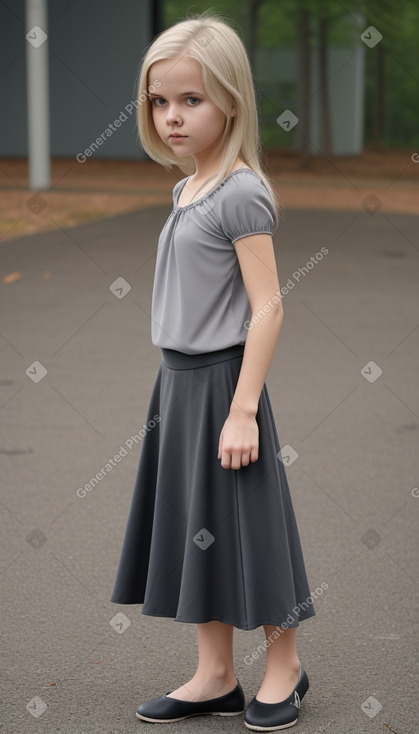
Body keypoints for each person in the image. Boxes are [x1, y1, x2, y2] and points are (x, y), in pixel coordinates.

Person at [110, 10, 316, 731]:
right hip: (177, 383)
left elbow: (268, 308)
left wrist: (240, 408)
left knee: (251, 525)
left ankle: (283, 665)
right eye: (159, 101)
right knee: (198, 527)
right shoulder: (187, 187)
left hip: (225, 385)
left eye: (190, 100)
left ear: (230, 98)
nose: (171, 116)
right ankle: (216, 674)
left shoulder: (239, 192)